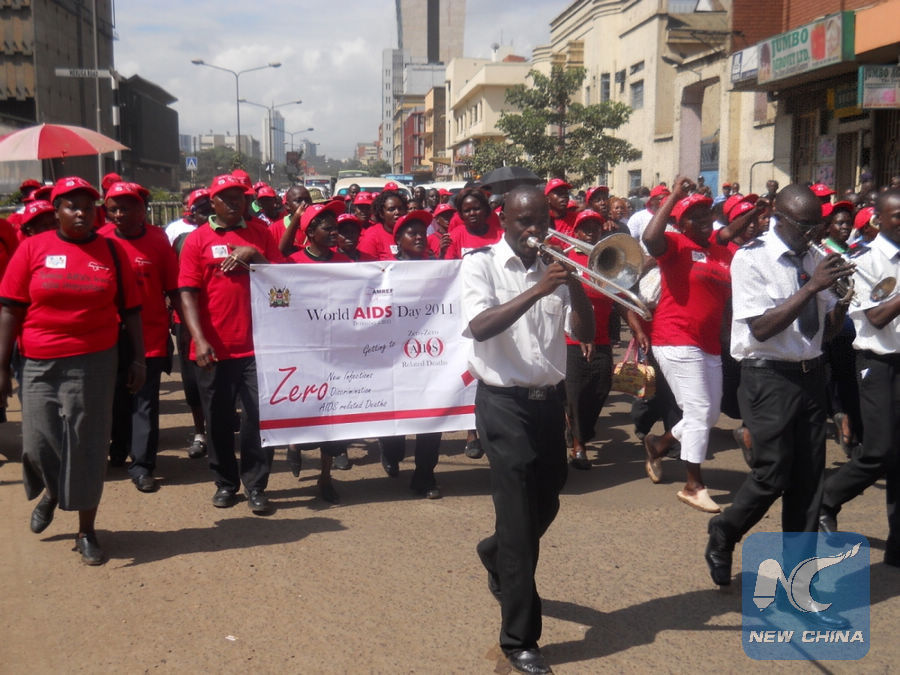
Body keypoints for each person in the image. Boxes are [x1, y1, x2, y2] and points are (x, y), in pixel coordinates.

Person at [462, 185, 594, 675]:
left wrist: (576, 284)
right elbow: (480, 326)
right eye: (523, 221)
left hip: (547, 403)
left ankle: (494, 551)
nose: (534, 229)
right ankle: (521, 639)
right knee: (519, 523)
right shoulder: (480, 265)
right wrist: (538, 289)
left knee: (549, 498)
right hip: (503, 404)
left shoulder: (556, 268)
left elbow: (584, 332)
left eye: (541, 220)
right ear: (503, 220)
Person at [704, 184, 854, 587]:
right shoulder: (751, 258)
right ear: (779, 219)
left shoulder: (816, 258)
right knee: (772, 473)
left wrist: (843, 299)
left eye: (817, 226)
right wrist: (812, 287)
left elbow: (825, 332)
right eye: (805, 226)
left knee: (808, 481)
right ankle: (725, 530)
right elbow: (762, 327)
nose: (813, 234)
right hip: (767, 375)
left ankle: (800, 581)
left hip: (811, 373)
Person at [0, 176, 145, 565]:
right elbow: (10, 308)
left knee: (87, 444)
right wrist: (1, 368)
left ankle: (86, 530)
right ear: (57, 211)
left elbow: (131, 310)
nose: (81, 213)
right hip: (39, 360)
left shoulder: (111, 251)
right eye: (71, 206)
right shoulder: (32, 248)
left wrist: (138, 358)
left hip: (95, 359)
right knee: (37, 444)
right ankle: (53, 491)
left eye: (87, 206)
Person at [178, 174, 284, 515]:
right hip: (215, 349)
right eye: (226, 197)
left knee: (258, 418)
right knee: (218, 419)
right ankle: (225, 482)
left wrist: (256, 256)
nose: (235, 202)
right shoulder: (197, 240)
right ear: (213, 202)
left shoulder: (260, 234)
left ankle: (256, 484)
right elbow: (187, 294)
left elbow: (282, 283)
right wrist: (199, 339)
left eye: (240, 196)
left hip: (258, 347)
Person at [641, 178, 740, 513]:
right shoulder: (675, 244)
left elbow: (733, 232)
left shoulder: (721, 250)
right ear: (680, 224)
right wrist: (674, 196)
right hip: (675, 337)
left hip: (708, 343)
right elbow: (649, 238)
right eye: (694, 217)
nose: (703, 221)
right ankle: (693, 486)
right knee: (698, 410)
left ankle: (659, 444)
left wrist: (754, 213)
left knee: (709, 414)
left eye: (706, 215)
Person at [818, 188, 900, 566]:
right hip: (877, 362)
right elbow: (877, 318)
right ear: (879, 220)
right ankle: (827, 498)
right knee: (879, 449)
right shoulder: (864, 260)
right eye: (897, 215)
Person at [99, 182, 180, 492]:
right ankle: (119, 448)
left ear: (141, 210)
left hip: (150, 336)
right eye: (114, 209)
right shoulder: (101, 240)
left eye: (127, 208)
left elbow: (174, 288)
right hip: (109, 336)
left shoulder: (158, 240)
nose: (120, 214)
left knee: (144, 402)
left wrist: (186, 328)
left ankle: (143, 465)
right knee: (117, 399)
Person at [377, 210, 444, 498]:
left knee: (433, 417)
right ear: (398, 241)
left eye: (422, 232)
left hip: (431, 356)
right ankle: (390, 449)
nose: (419, 237)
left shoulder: (442, 270)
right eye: (411, 233)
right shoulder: (385, 272)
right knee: (396, 418)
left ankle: (425, 475)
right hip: (394, 357)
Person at [563, 209, 632, 470]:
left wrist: (637, 329)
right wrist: (579, 332)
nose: (591, 231)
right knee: (575, 394)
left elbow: (619, 298)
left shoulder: (607, 259)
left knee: (600, 389)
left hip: (602, 338)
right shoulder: (567, 258)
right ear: (576, 232)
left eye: (596, 227)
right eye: (586, 227)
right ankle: (578, 447)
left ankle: (578, 431)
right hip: (571, 340)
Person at [357, 188, 408, 260]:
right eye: (391, 209)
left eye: (400, 208)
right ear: (381, 214)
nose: (397, 212)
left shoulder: (411, 233)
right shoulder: (371, 236)